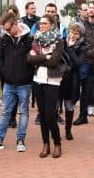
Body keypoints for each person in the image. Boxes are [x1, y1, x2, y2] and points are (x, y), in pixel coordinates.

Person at [0, 13, 33, 152]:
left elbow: (32, 60)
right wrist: (4, 72)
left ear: (16, 24)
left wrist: (27, 74)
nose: (7, 31)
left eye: (9, 29)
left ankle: (20, 140)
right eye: (5, 29)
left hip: (24, 82)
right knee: (5, 112)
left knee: (23, 112)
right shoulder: (4, 39)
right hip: (9, 83)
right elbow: (0, 58)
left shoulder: (29, 39)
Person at [27, 14, 65, 158]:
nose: (41, 26)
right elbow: (29, 59)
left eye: (44, 23)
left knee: (50, 116)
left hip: (52, 81)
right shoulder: (36, 40)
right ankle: (45, 144)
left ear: (51, 25)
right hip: (38, 80)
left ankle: (57, 143)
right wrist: (44, 57)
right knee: (42, 115)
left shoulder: (59, 41)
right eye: (40, 23)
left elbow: (54, 62)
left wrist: (39, 58)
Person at [60, 23, 86, 140]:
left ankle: (68, 129)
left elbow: (77, 63)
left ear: (80, 35)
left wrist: (71, 48)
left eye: (76, 33)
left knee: (69, 105)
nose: (73, 35)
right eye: (71, 32)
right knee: (55, 105)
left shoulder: (83, 47)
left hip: (72, 80)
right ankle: (53, 129)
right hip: (59, 77)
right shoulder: (62, 42)